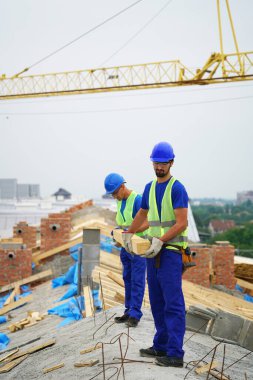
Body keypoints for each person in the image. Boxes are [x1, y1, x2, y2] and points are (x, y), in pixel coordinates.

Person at [124, 142, 188, 367]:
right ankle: (160, 345)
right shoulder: (149, 188)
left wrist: (162, 240)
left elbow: (182, 222)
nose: (159, 167)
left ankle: (175, 353)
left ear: (171, 162)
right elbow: (143, 213)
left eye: (163, 163)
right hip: (153, 252)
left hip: (170, 252)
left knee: (173, 303)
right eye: (156, 162)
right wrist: (128, 233)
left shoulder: (176, 188)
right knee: (157, 302)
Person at [104, 173, 147, 327]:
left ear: (122, 186)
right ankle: (128, 311)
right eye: (112, 195)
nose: (114, 197)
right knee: (127, 278)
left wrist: (131, 232)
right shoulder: (120, 201)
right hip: (125, 247)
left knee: (137, 281)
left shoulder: (138, 200)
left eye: (115, 193)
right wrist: (117, 231)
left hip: (138, 248)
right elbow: (124, 223)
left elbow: (148, 223)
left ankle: (135, 314)